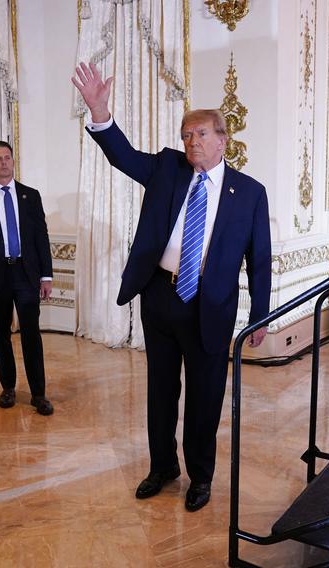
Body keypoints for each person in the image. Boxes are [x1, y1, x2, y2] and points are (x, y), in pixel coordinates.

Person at [72, 62, 271, 512]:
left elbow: (259, 261)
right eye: (186, 135)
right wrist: (101, 113)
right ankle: (163, 466)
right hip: (161, 298)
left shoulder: (250, 193)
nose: (191, 142)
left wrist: (261, 314)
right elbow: (122, 156)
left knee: (204, 398)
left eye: (200, 134)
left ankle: (200, 476)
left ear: (223, 139)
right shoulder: (167, 168)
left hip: (210, 305)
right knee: (161, 392)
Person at [0, 141, 56, 416]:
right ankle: (8, 388)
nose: (4, 163)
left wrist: (46, 276)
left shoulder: (31, 196)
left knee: (31, 334)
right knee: (1, 334)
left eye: (7, 158)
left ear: (13, 161)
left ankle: (39, 394)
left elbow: (41, 237)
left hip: (26, 275)